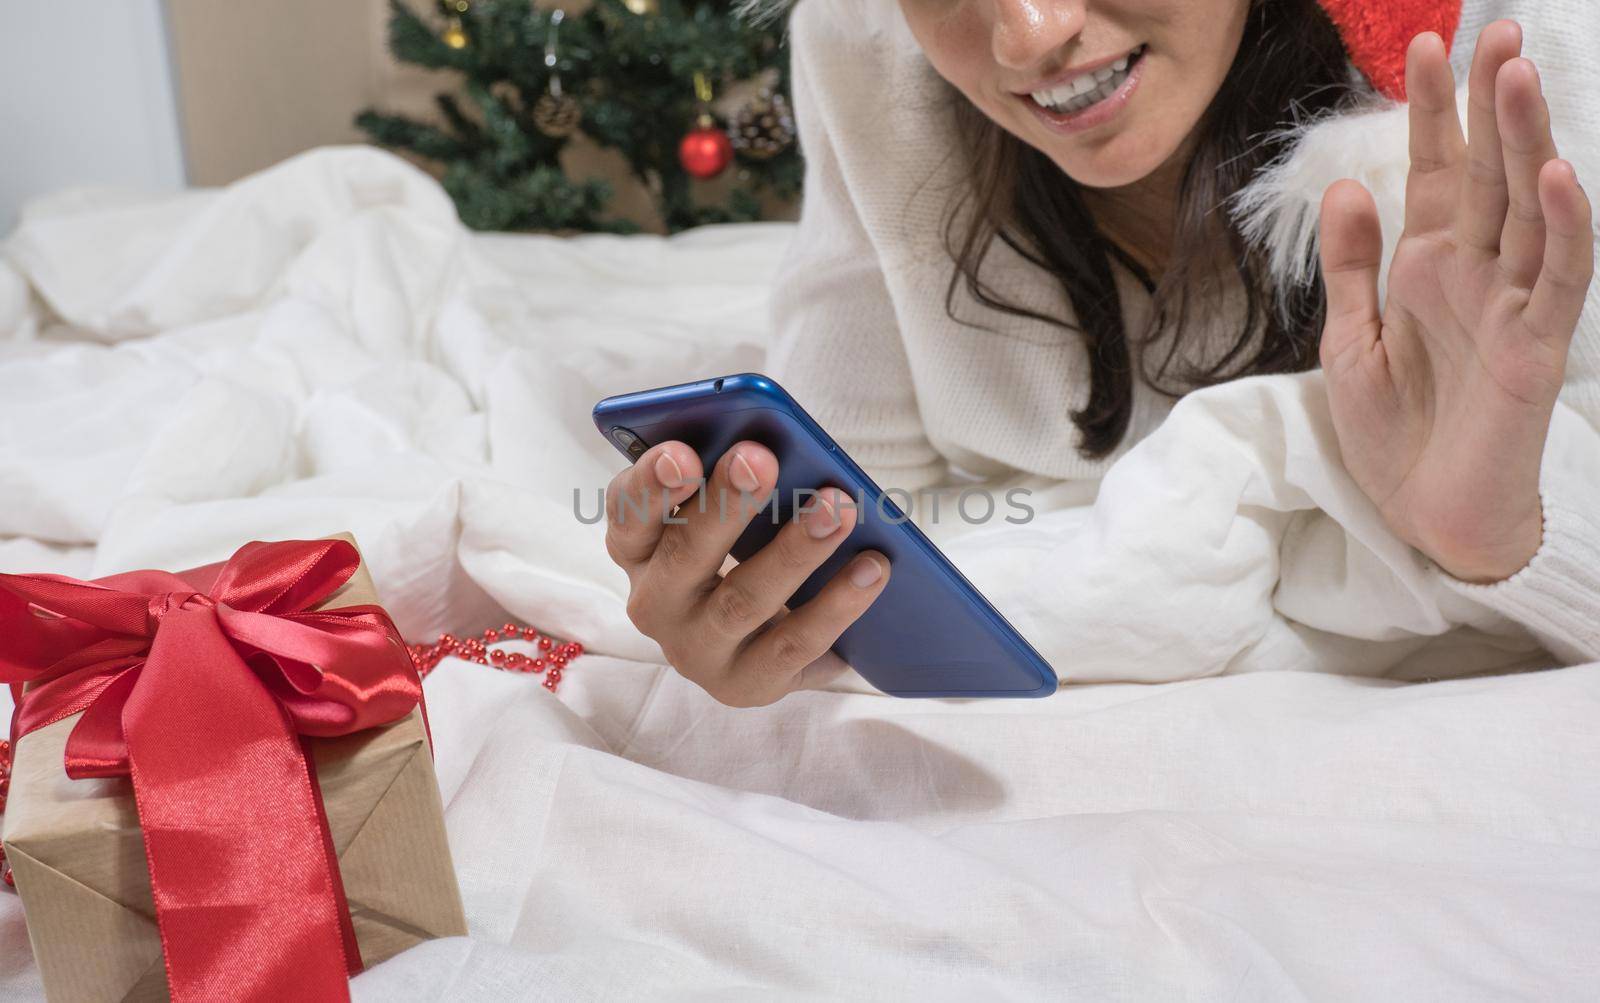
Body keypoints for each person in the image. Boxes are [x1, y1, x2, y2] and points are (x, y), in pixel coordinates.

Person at [604, 0, 1598, 707]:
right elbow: (862, 504)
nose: (1025, 35)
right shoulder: (868, 39)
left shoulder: (1528, 70)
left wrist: (1503, 535)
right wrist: (771, 609)